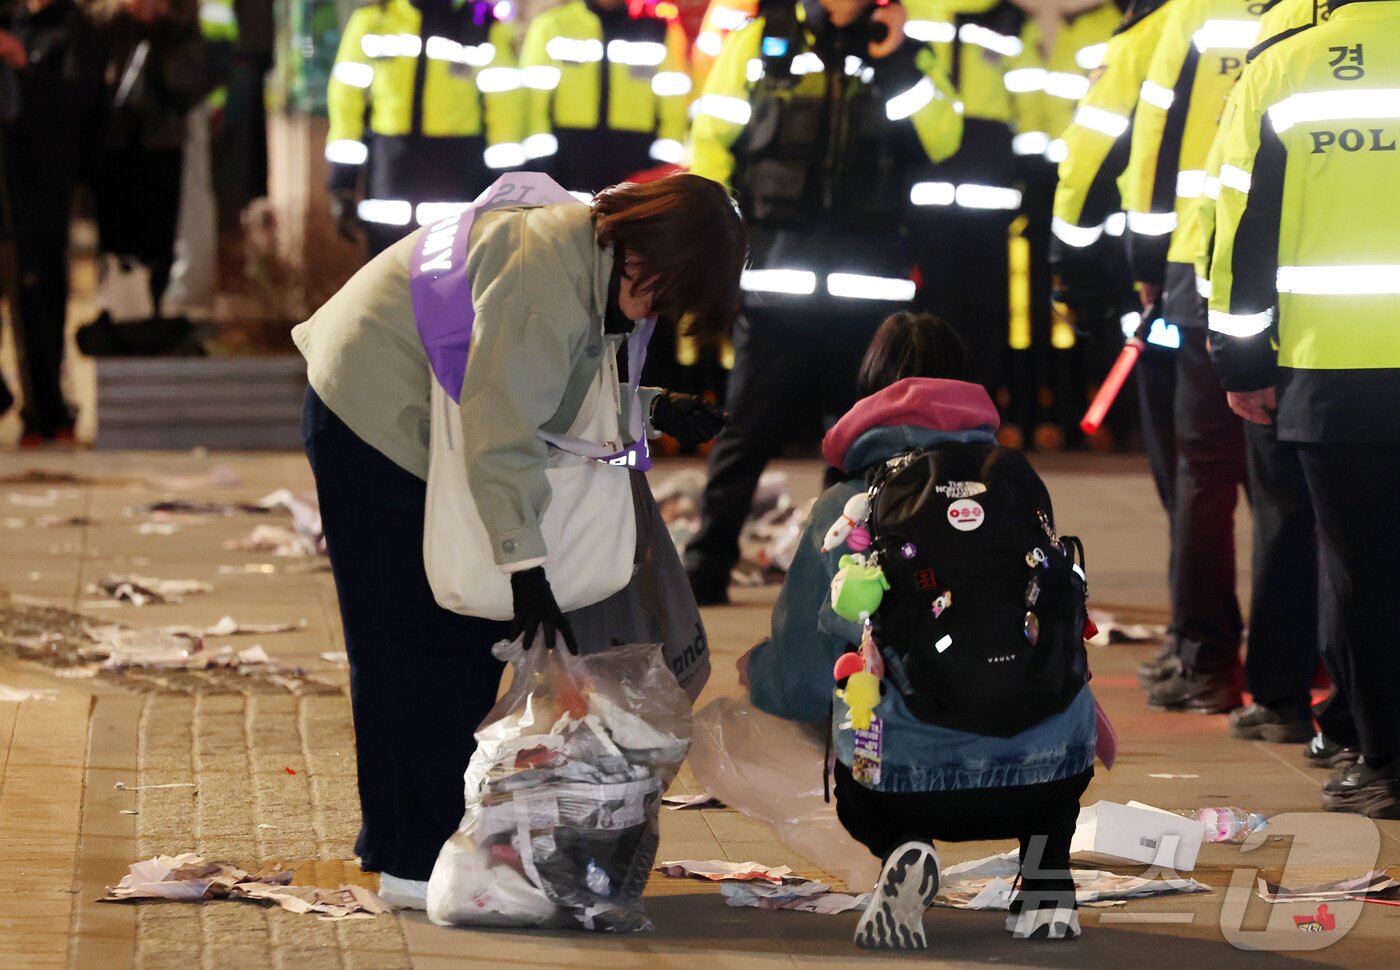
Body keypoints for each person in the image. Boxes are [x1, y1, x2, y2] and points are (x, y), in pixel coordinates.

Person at [293, 174, 746, 906]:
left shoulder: (593, 260)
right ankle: (411, 861)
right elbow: (502, 434)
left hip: (433, 418)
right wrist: (526, 568)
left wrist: (655, 411)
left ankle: (428, 841)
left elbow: (552, 390)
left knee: (463, 640)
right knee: (411, 639)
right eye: (663, 295)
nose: (657, 314)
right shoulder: (546, 277)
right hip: (374, 418)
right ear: (646, 254)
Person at [741, 311, 1098, 946]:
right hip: (1051, 771)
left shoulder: (845, 505)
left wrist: (758, 671)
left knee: (859, 709)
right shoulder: (1016, 483)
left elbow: (797, 681)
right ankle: (1047, 880)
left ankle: (905, 848)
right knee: (1044, 723)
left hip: (911, 785)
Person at [684, 0, 965, 604]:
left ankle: (853, 573)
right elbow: (710, 144)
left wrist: (897, 63)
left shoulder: (903, 50)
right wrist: (714, 244)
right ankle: (706, 566)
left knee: (863, 442)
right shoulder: (760, 42)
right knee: (744, 433)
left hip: (867, 295)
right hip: (776, 284)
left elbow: (943, 138)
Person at [1206, 0, 1400, 818]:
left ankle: (1385, 759)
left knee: (1362, 567)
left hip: (1332, 365)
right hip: (1334, 364)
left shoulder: (1283, 65)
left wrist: (1243, 357)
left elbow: (1243, 225)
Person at [325, 0, 524, 256]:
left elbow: (506, 111)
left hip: (454, 194)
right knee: (387, 290)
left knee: (449, 292)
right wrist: (342, 184)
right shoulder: (372, 23)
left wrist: (505, 191)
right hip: (388, 196)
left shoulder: (482, 26)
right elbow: (345, 105)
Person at [0, 0, 108, 446]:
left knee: (39, 299)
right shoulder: (9, 20)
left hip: (43, 185)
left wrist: (23, 66)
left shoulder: (75, 28)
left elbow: (78, 101)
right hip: (6, 184)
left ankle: (47, 413)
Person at [95, 0, 212, 316]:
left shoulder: (181, 24)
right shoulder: (108, 22)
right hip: (115, 143)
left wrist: (164, 28)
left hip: (162, 141)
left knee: (158, 232)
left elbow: (189, 84)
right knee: (116, 234)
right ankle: (116, 311)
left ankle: (152, 309)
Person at [518, 0, 691, 195]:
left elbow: (674, 102)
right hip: (568, 157)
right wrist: (542, 162)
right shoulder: (552, 26)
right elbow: (532, 102)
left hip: (637, 159)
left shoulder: (658, 30)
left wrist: (664, 164)